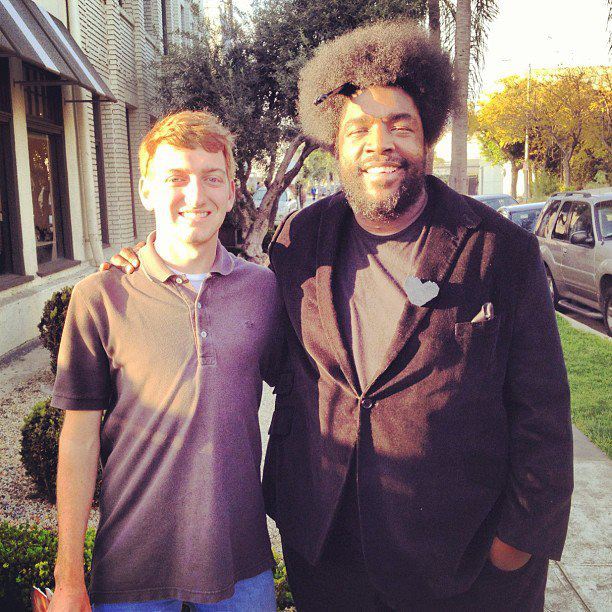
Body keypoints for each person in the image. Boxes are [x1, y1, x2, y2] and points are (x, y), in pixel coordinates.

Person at [108, 21, 573, 611]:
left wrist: (518, 541)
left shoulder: (499, 249)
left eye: (399, 125)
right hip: (327, 550)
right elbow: (263, 347)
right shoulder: (300, 238)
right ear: (335, 144)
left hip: (461, 561)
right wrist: (141, 265)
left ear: (426, 135)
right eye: (359, 128)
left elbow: (543, 409)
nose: (380, 143)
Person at [49, 111, 281, 611]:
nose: (196, 196)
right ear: (147, 190)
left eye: (211, 178)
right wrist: (68, 577)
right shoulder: (101, 296)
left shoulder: (264, 291)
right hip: (132, 570)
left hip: (242, 568)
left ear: (232, 190)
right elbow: (78, 438)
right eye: (176, 178)